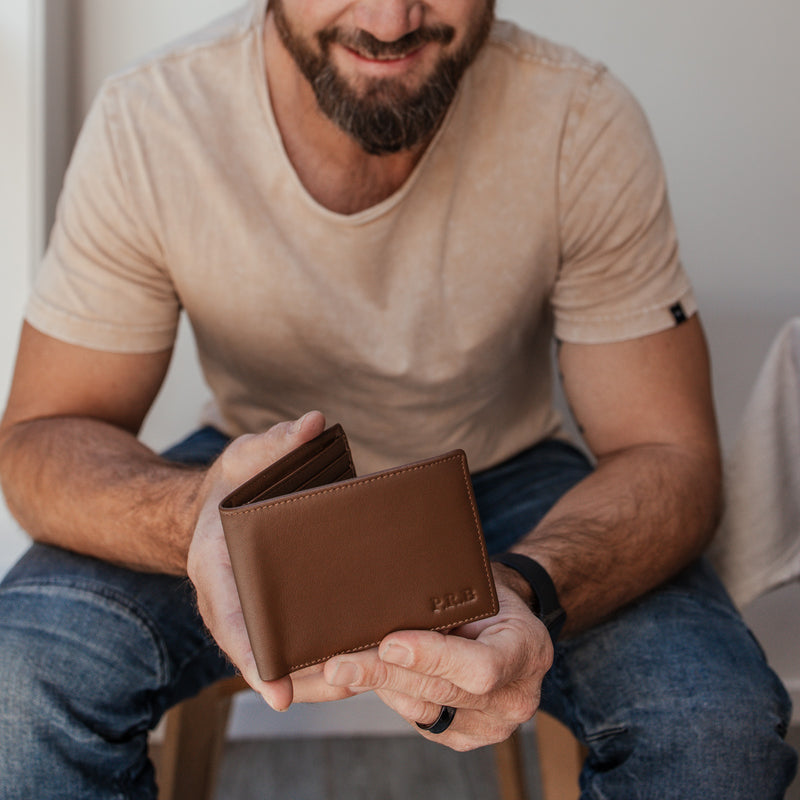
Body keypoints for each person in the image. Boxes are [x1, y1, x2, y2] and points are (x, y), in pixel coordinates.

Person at [0, 0, 795, 797]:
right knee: (14, 691)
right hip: (249, 485)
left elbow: (669, 453)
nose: (387, 19)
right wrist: (196, 519)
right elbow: (41, 433)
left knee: (715, 730)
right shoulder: (152, 116)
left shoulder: (578, 116)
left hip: (504, 475)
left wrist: (522, 588)